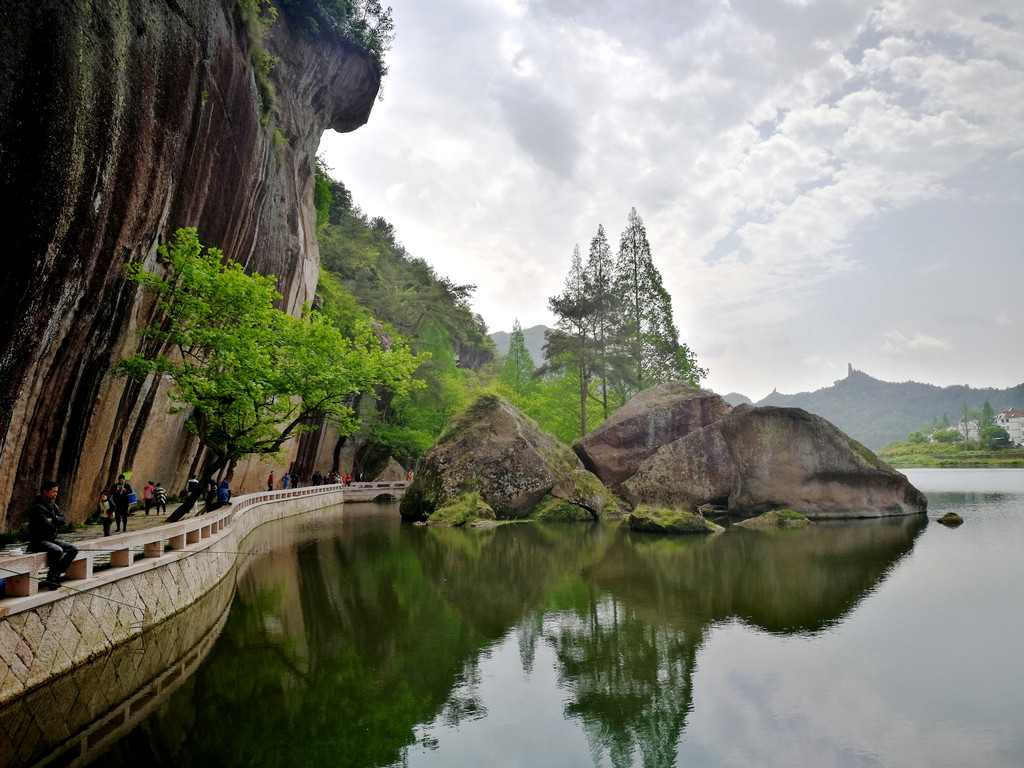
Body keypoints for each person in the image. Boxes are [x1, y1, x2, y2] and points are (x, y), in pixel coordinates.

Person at [26, 480, 78, 590]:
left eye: (56, 492)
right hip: (38, 541)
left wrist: (52, 519)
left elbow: (63, 519)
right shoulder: (37, 507)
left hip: (51, 539)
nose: (56, 494)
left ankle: (56, 574)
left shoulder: (53, 505)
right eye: (54, 492)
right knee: (57, 550)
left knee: (73, 549)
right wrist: (54, 520)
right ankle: (50, 580)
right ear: (45, 492)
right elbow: (44, 523)